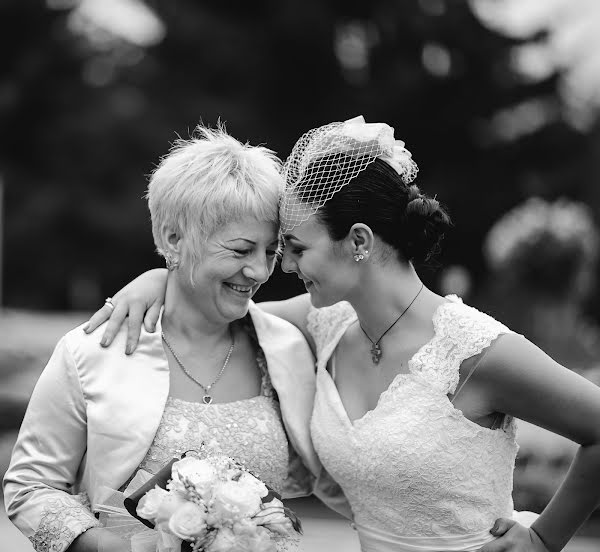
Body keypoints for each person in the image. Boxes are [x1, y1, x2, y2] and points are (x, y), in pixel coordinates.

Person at [84, 117, 600, 552]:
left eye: (295, 247)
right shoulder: (324, 323)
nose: (278, 266)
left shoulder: (475, 351)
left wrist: (544, 539)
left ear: (357, 241)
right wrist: (159, 277)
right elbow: (216, 309)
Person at [3, 126, 321, 552]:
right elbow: (29, 487)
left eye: (270, 251)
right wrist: (118, 548)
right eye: (241, 250)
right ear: (174, 238)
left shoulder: (288, 347)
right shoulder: (92, 350)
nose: (261, 272)